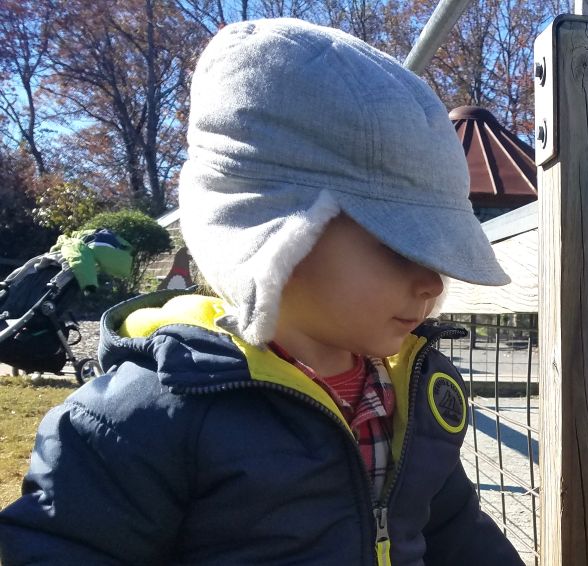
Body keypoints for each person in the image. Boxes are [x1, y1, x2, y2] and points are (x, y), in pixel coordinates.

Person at [0, 18, 522, 565]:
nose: (432, 281)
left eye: (440, 252)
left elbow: (455, 532)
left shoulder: (410, 394)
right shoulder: (155, 411)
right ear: (276, 234)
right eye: (400, 246)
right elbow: (62, 547)